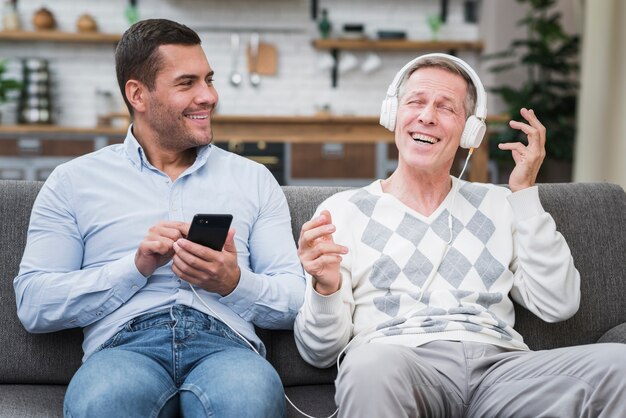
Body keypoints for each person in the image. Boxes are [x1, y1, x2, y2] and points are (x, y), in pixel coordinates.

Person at [294, 53, 626, 417]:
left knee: (619, 364)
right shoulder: (344, 210)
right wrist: (324, 289)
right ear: (393, 115)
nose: (427, 116)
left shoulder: (500, 202)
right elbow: (319, 351)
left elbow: (559, 303)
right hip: (398, 362)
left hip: (502, 372)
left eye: (446, 108)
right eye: (416, 102)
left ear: (470, 131)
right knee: (369, 367)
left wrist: (525, 194)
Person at [14, 19, 305, 418]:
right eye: (187, 83)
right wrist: (134, 268)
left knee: (248, 401)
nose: (209, 96)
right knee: (104, 403)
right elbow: (33, 304)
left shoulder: (254, 179)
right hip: (123, 346)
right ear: (138, 94)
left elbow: (297, 299)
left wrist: (232, 282)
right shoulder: (73, 181)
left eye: (209, 79)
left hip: (226, 346)